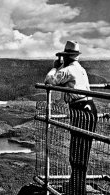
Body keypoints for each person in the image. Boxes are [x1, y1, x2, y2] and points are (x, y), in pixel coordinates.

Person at [44, 40, 97, 195]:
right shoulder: (81, 70)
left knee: (76, 150)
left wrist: (55, 66)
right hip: (89, 109)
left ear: (66, 57)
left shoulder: (67, 71)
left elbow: (48, 82)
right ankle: (77, 185)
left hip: (80, 110)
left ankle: (77, 188)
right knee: (83, 150)